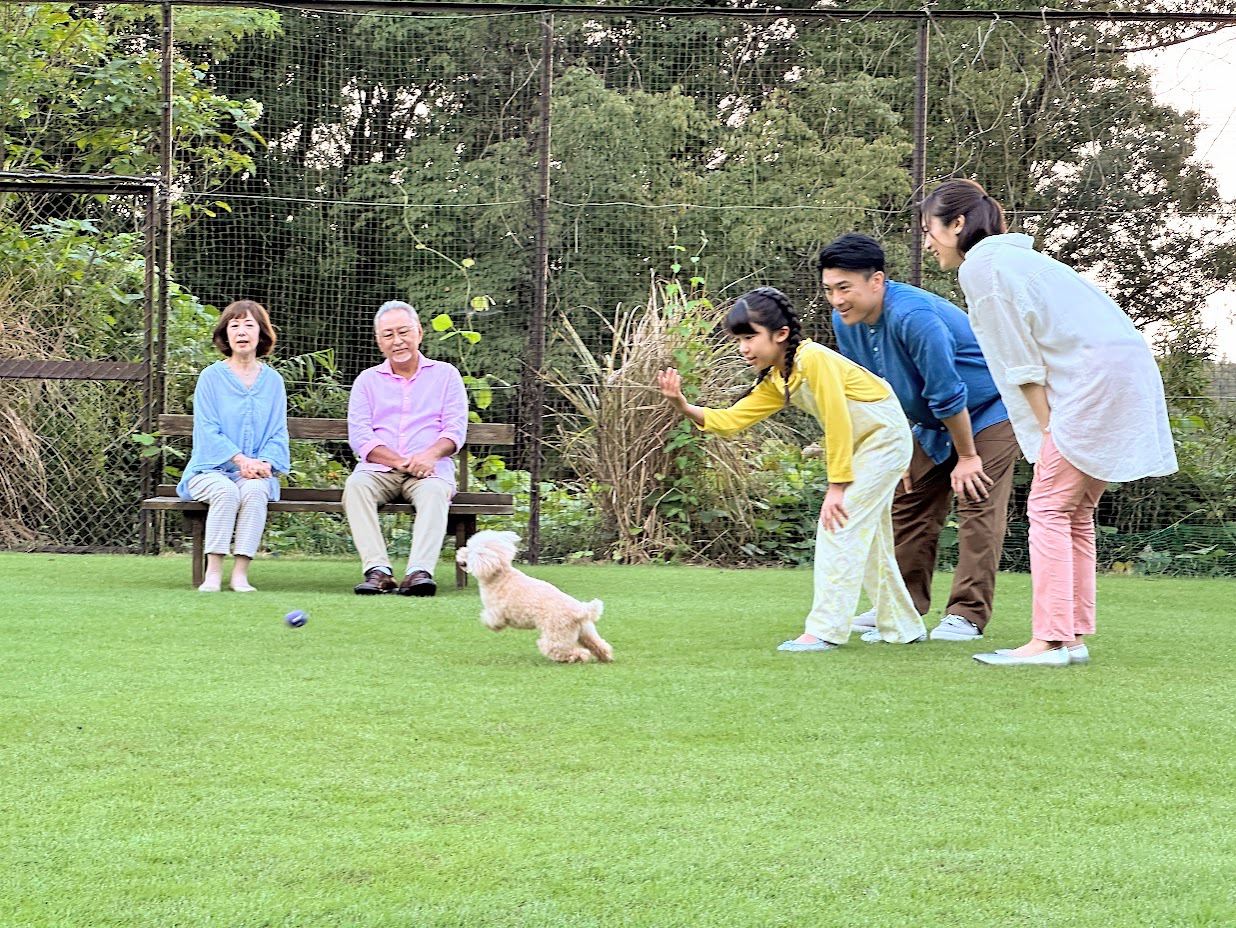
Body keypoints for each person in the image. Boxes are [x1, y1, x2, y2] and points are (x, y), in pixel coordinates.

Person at [921, 179, 1177, 666]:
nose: (927, 241)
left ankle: (1049, 640)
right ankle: (1072, 637)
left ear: (956, 225)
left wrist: (1048, 430)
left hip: (1094, 384)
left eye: (929, 229)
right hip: (1123, 374)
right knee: (1074, 512)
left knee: (1048, 508)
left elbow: (1020, 363)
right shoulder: (1014, 261)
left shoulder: (985, 268)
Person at [656, 286, 927, 651]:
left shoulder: (813, 358)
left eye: (750, 337)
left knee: (839, 526)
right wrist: (684, 406)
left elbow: (836, 419)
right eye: (739, 339)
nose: (743, 348)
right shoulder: (776, 379)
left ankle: (826, 630)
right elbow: (734, 419)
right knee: (870, 540)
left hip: (885, 440)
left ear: (781, 334)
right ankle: (904, 626)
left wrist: (837, 487)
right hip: (867, 444)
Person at [819, 233, 1019, 643]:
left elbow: (948, 392)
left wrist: (967, 457)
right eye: (829, 290)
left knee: (976, 500)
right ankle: (901, 606)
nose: (837, 300)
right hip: (929, 422)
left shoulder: (914, 316)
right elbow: (871, 394)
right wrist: (894, 449)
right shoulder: (846, 322)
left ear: (876, 281)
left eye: (845, 288)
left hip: (989, 410)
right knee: (907, 499)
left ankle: (966, 615)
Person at [343, 300, 468, 598]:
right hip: (380, 469)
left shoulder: (446, 375)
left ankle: (418, 573)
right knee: (356, 485)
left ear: (419, 332)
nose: (397, 341)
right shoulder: (367, 381)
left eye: (403, 332)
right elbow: (360, 437)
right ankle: (378, 572)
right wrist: (400, 461)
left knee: (436, 492)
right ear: (378, 341)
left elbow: (454, 430)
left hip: (429, 471)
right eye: (388, 335)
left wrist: (428, 456)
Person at [177, 300, 290, 593]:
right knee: (225, 491)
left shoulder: (274, 381)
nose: (242, 332)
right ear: (225, 335)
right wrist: (242, 461)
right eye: (234, 325)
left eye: (249, 325)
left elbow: (278, 432)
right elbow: (207, 430)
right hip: (209, 472)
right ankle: (213, 573)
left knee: (254, 491)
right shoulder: (210, 378)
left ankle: (240, 574)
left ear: (261, 334)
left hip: (255, 474)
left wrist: (264, 463)